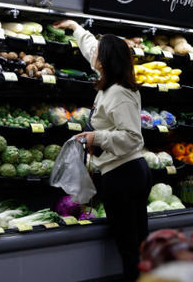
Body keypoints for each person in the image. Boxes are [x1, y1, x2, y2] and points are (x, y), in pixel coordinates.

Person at [54, 20, 152, 281]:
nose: (93, 53)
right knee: (136, 241)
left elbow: (132, 137)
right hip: (123, 172)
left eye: (99, 52)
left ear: (106, 61)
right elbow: (90, 48)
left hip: (125, 175)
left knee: (131, 246)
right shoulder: (109, 80)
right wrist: (75, 28)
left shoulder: (119, 93)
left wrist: (96, 137)